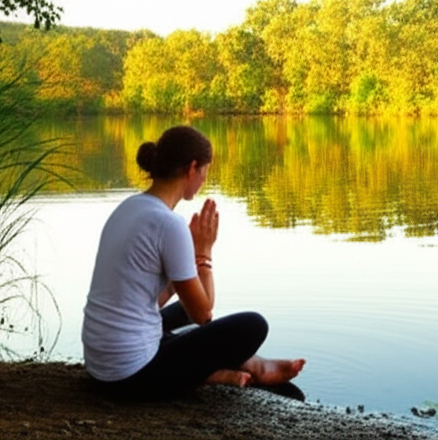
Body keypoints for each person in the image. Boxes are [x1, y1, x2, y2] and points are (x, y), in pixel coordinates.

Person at [82, 125, 305, 400]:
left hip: (99, 365)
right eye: (205, 173)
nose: (203, 181)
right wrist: (203, 254)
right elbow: (204, 314)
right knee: (254, 325)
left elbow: (149, 301)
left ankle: (246, 364)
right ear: (192, 168)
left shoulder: (130, 207)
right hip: (130, 378)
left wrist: (181, 269)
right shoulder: (169, 223)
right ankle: (232, 368)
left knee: (179, 315)